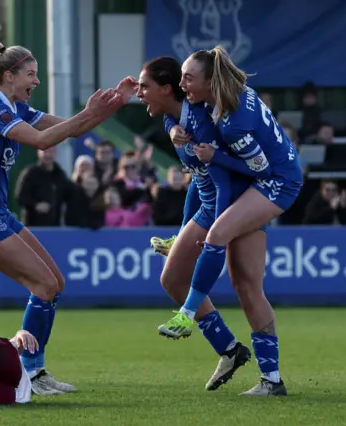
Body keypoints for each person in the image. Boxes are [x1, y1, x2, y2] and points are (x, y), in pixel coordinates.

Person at [0, 42, 132, 395]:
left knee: (55, 285)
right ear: (8, 75)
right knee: (44, 286)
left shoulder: (15, 106)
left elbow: (71, 129)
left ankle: (35, 369)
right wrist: (87, 113)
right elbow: (42, 140)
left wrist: (112, 106)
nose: (36, 80)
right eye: (31, 74)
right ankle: (28, 372)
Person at [157, 46, 302, 396]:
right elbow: (176, 115)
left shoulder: (232, 122)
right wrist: (174, 128)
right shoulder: (223, 99)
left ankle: (188, 313)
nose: (182, 84)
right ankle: (272, 381)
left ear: (210, 81)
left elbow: (261, 169)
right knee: (247, 284)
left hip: (276, 182)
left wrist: (215, 155)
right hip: (259, 183)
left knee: (217, 234)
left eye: (188, 79)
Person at [132, 57, 253, 391]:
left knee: (178, 279)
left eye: (145, 87)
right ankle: (231, 350)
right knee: (175, 279)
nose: (139, 93)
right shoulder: (178, 116)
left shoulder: (198, 120)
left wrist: (218, 229)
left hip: (221, 206)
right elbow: (198, 177)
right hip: (208, 204)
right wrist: (170, 127)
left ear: (167, 89)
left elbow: (219, 179)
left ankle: (235, 352)